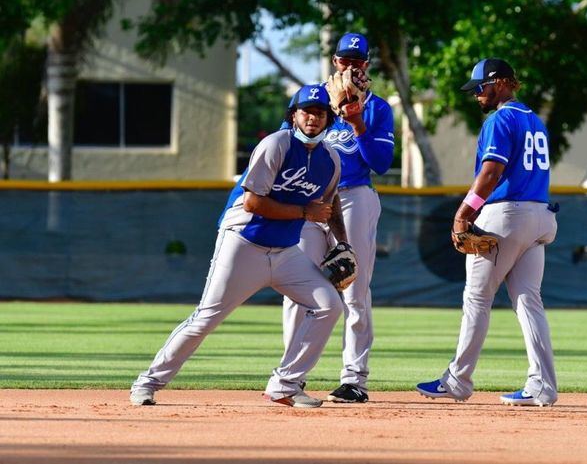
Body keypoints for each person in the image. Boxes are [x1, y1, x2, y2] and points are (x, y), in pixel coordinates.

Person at [130, 84, 350, 409]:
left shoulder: (330, 161)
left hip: (287, 252)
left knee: (329, 305)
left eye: (320, 113)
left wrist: (345, 245)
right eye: (306, 111)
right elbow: (252, 203)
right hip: (244, 242)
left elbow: (328, 208)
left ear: (328, 120)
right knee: (206, 318)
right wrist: (305, 213)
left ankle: (285, 384)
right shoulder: (275, 145)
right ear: (293, 115)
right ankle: (147, 383)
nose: (313, 118)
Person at [416, 58, 559, 407]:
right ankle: (542, 385)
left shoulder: (501, 118)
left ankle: (458, 381)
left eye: (480, 87)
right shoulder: (535, 121)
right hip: (540, 216)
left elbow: (493, 170)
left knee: (477, 299)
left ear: (499, 83)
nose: (477, 95)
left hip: (506, 215)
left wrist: (465, 211)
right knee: (529, 302)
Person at [281, 32, 395, 403]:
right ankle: (291, 375)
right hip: (311, 200)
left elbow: (380, 164)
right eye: (345, 59)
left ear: (367, 65)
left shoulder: (377, 107)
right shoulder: (312, 101)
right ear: (335, 62)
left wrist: (357, 119)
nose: (351, 66)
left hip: (354, 197)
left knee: (355, 288)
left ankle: (354, 379)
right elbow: (285, 146)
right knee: (298, 287)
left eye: (358, 60)